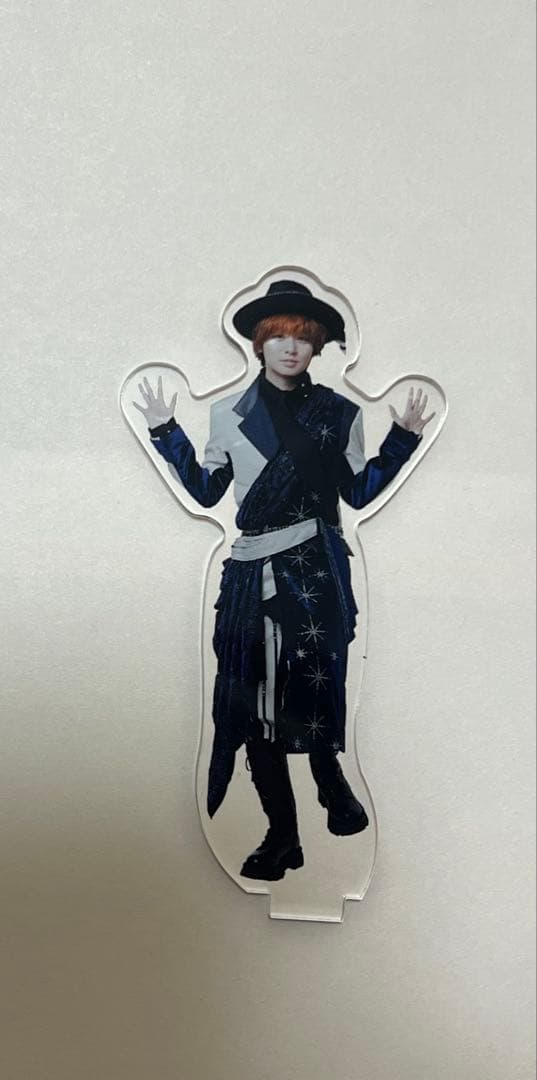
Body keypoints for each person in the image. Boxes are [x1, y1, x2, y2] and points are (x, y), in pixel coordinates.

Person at [133, 280, 434, 882]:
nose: (291, 348)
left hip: (316, 573)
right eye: (279, 337)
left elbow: (357, 492)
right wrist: (167, 431)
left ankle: (331, 782)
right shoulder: (226, 414)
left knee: (314, 690)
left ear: (317, 345)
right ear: (260, 344)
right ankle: (283, 836)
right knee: (251, 705)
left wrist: (402, 439)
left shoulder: (341, 414)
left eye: (302, 337)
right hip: (252, 575)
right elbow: (205, 491)